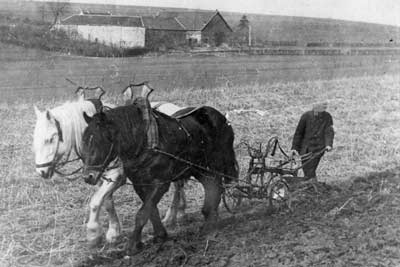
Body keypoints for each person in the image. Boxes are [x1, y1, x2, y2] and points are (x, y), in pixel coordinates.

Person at [291, 102, 334, 181]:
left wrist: (328, 144)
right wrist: (294, 147)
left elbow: (329, 131)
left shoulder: (327, 117)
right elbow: (299, 133)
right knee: (306, 170)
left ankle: (311, 186)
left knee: (311, 169)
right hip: (305, 149)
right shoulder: (306, 116)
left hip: (318, 148)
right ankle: (311, 185)